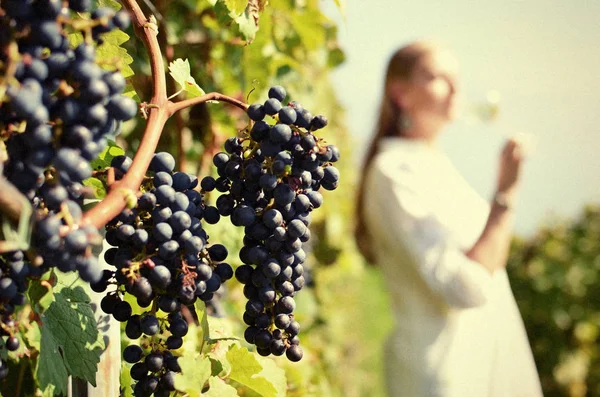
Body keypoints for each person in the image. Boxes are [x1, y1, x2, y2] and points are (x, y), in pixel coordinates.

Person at [354, 41, 544, 397]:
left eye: (457, 77)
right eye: (438, 77)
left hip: (473, 369)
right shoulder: (395, 172)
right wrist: (506, 195)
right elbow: (465, 287)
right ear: (401, 93)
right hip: (446, 380)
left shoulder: (429, 163)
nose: (457, 88)